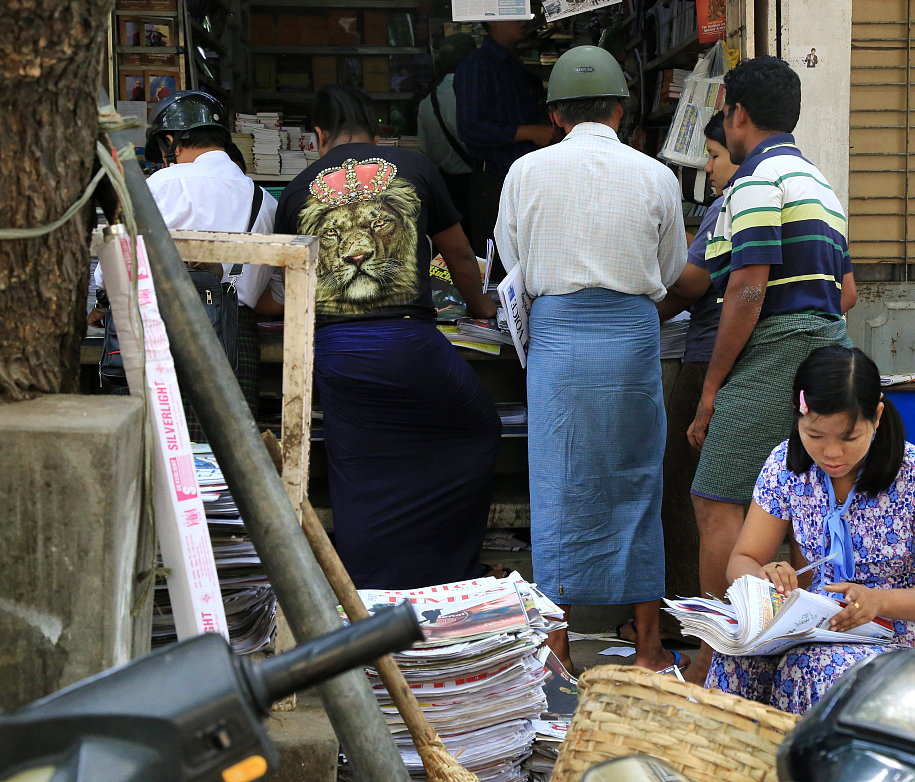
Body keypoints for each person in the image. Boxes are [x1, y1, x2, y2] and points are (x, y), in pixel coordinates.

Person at [495, 46, 688, 675]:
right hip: (632, 341)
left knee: (558, 487)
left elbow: (512, 258)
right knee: (639, 484)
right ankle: (648, 646)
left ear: (555, 114)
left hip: (558, 341)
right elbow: (670, 270)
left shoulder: (525, 172)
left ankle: (558, 646)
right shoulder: (656, 176)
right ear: (620, 111)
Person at [658, 109, 859, 681]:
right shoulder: (819, 184)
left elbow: (748, 287)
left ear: (739, 116)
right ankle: (791, 641)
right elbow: (845, 293)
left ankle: (717, 654)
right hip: (828, 345)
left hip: (773, 350)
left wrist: (712, 389)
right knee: (802, 499)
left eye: (716, 146)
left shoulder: (756, 180)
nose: (711, 162)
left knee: (715, 497)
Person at [274, 84, 500, 590]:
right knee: (477, 429)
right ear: (378, 133)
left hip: (334, 353)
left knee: (359, 471)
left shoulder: (296, 190)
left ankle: (370, 591)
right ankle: (447, 572)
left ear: (318, 136)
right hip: (408, 345)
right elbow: (459, 254)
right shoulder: (414, 167)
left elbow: (288, 285)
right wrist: (483, 306)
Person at [707, 346, 915, 714]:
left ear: (876, 416)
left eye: (849, 437)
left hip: (903, 634)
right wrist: (764, 578)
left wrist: (880, 601)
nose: (831, 453)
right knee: (735, 655)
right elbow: (742, 559)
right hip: (817, 626)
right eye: (814, 435)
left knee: (816, 668)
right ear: (798, 416)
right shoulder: (786, 468)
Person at [89, 91, 283, 437]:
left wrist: (101, 304)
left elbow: (110, 272)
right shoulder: (264, 201)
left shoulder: (162, 184)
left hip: (155, 330)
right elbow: (280, 294)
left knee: (150, 451)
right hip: (234, 339)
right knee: (225, 455)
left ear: (170, 142)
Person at [454, 20, 559, 272]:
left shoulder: (514, 66)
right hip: (494, 179)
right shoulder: (477, 65)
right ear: (492, 20)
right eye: (515, 12)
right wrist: (530, 132)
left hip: (526, 179)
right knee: (496, 263)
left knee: (529, 256)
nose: (524, 19)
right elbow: (470, 128)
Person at [417, 33, 478, 233]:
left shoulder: (427, 103)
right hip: (474, 184)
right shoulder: (475, 98)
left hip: (443, 187)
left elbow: (424, 149)